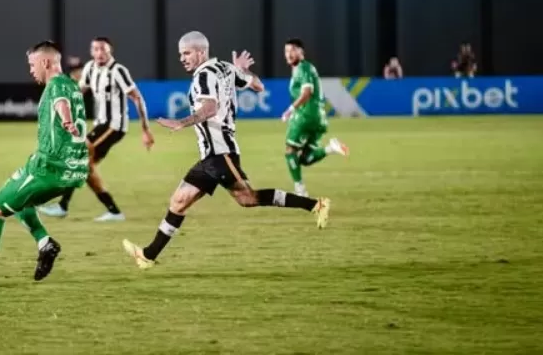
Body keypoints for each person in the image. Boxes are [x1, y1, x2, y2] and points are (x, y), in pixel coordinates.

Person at [122, 31, 331, 270]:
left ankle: (315, 205)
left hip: (221, 153)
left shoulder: (203, 77)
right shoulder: (225, 68)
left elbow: (210, 108)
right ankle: (148, 256)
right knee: (179, 202)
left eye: (187, 53)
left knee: (248, 198)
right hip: (211, 156)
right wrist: (242, 70)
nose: (182, 58)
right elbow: (258, 85)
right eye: (180, 54)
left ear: (201, 52)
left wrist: (182, 122)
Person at [0, 41, 89, 285]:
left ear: (45, 62)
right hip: (70, 169)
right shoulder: (70, 84)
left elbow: (60, 103)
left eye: (32, 65)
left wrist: (66, 121)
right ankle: (45, 243)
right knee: (20, 201)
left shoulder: (56, 86)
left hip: (49, 168)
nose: (31, 70)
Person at [39, 37, 154, 222]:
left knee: (78, 155)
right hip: (100, 124)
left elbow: (137, 98)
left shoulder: (118, 71)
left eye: (103, 49)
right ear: (91, 52)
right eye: (96, 49)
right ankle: (113, 211)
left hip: (114, 126)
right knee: (85, 168)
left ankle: (62, 206)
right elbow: (79, 90)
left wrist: (145, 130)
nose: (99, 53)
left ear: (110, 51)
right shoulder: (91, 68)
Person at [281, 38, 349, 197]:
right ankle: (331, 148)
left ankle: (300, 190)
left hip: (306, 115)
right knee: (305, 159)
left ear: (301, 52)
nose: (289, 54)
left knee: (290, 151)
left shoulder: (304, 68)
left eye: (292, 50)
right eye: (286, 51)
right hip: (319, 117)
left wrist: (291, 109)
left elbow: (307, 93)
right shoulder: (302, 69)